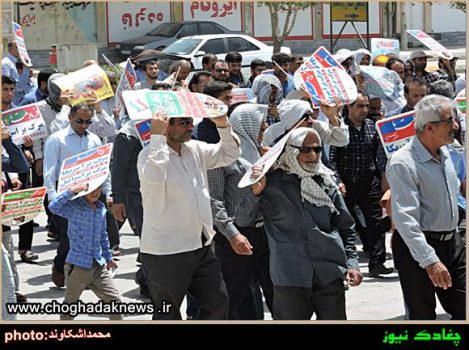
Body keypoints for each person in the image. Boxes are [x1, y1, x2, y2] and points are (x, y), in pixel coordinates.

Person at [236, 128, 362, 320]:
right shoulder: (271, 183)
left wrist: (352, 264)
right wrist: (255, 193)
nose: (312, 155)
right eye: (305, 150)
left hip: (329, 273)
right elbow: (243, 220)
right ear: (292, 150)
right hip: (289, 276)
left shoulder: (326, 181)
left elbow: (345, 226)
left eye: (317, 149)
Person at [137, 112, 240, 320]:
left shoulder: (195, 148)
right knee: (168, 313)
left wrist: (223, 125)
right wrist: (157, 137)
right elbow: (154, 176)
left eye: (191, 121)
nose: (190, 126)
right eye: (184, 122)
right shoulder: (149, 154)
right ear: (166, 125)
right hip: (167, 252)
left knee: (218, 303)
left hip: (200, 246)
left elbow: (230, 154)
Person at [386, 94, 465, 320]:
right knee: (423, 316)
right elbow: (406, 220)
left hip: (453, 243)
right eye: (450, 121)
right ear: (430, 127)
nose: (456, 126)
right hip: (417, 248)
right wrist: (430, 261)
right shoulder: (403, 162)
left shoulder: (448, 153)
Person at [48, 183, 122, 320]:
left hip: (98, 265)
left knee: (115, 301)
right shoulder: (74, 206)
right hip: (78, 266)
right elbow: (53, 207)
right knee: (70, 307)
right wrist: (72, 191)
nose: (95, 192)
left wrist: (108, 258)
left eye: (97, 188)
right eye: (90, 189)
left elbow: (103, 236)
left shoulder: (101, 209)